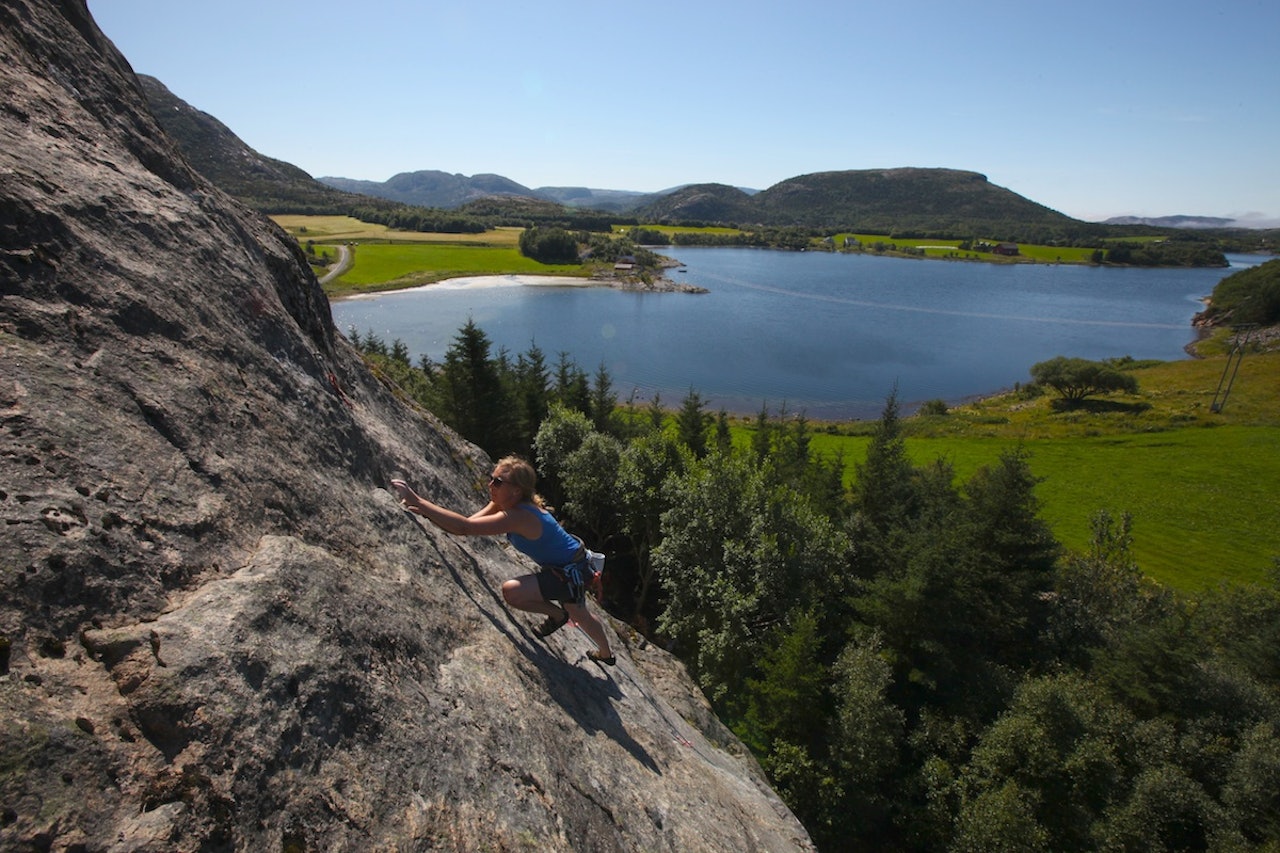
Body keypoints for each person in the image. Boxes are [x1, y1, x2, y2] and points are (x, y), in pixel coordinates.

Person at [390, 455, 615, 666]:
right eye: (491, 479)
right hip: (565, 566)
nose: (490, 485)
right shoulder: (506, 504)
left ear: (516, 491)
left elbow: (463, 528)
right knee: (574, 611)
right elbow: (466, 525)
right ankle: (561, 617)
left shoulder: (519, 516)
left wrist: (418, 500)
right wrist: (427, 512)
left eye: (497, 482)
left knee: (522, 595)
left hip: (572, 572)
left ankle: (603, 653)